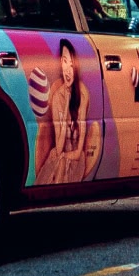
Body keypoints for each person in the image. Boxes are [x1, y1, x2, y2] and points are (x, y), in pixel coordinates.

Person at [35, 39, 93, 184]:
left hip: (75, 159)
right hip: (60, 155)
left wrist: (64, 157)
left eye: (72, 65)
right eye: (65, 62)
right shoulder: (56, 98)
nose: (68, 69)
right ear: (61, 62)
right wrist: (66, 102)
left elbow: (79, 152)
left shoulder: (83, 94)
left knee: (61, 162)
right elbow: (59, 147)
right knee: (57, 160)